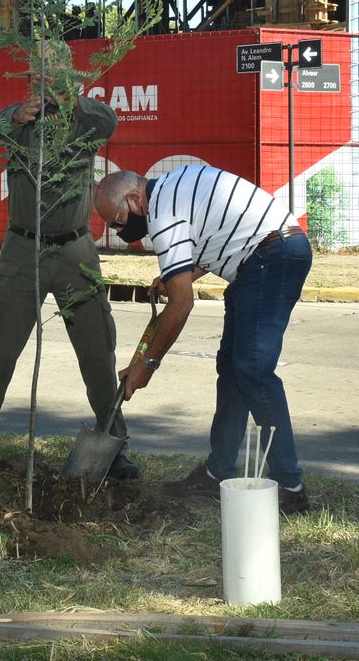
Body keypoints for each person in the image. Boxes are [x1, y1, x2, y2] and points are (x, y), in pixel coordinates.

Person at [0, 40, 137, 479]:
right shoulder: (19, 122)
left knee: (97, 353)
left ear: (68, 78)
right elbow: (0, 126)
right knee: (0, 350)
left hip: (76, 251)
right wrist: (19, 114)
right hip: (23, 250)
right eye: (38, 75)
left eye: (53, 75)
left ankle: (114, 448)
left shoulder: (84, 120)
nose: (44, 83)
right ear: (29, 79)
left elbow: (108, 120)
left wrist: (70, 100)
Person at [94, 164, 313, 509]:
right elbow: (217, 239)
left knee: (253, 369)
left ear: (135, 199)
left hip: (271, 258)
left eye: (118, 221)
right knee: (233, 368)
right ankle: (218, 473)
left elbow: (181, 305)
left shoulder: (162, 214)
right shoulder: (169, 187)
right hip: (265, 255)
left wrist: (146, 365)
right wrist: (180, 275)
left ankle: (290, 486)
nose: (118, 230)